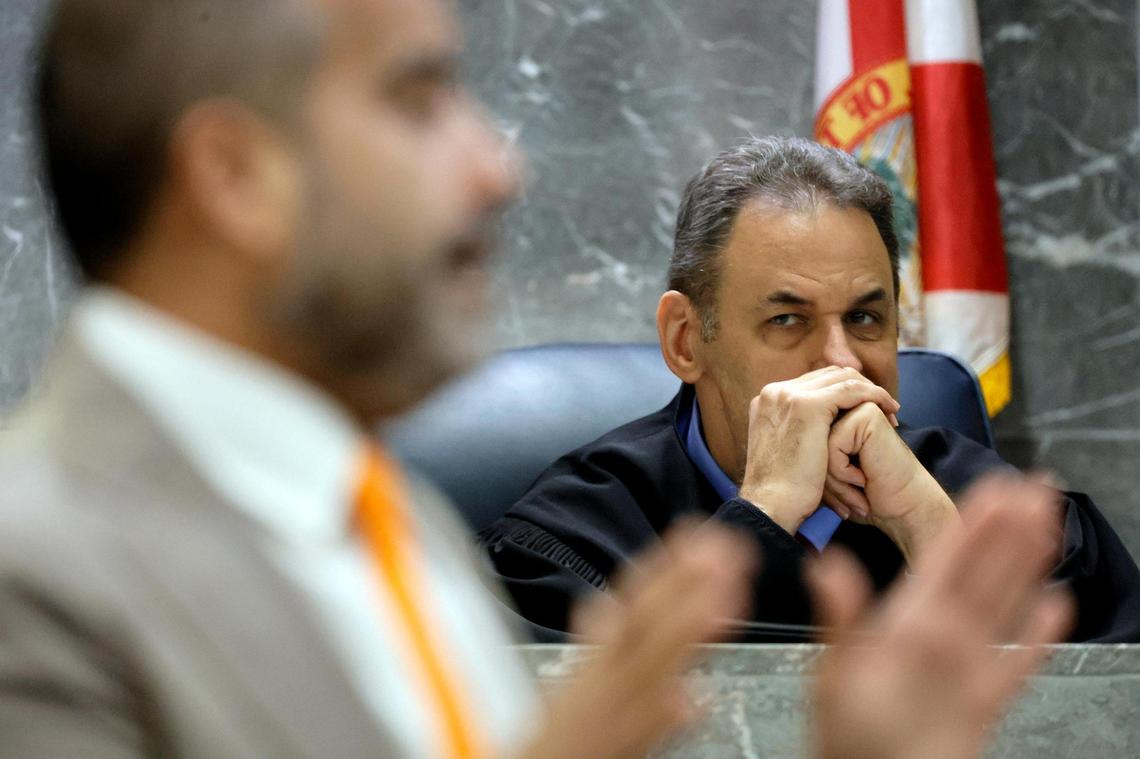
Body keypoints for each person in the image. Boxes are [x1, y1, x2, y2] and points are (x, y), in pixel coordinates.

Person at [0, 1, 1075, 757]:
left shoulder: (394, 526)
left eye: (870, 318)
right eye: (418, 100)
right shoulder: (27, 576)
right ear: (234, 176)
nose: (498, 166)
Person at [479, 135, 1140, 642]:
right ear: (686, 339)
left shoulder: (977, 496)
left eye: (865, 317)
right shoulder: (572, 542)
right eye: (787, 320)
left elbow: (1096, 704)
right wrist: (762, 517)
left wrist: (928, 528)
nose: (842, 360)